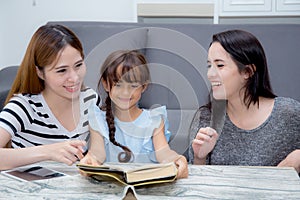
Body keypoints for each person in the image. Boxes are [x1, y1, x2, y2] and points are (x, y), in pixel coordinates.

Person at [189, 29, 300, 173]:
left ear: (248, 72)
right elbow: (196, 187)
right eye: (209, 65)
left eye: (220, 65)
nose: (210, 74)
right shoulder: (205, 117)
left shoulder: (288, 113)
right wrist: (199, 158)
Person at [0, 24, 100, 170]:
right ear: (40, 73)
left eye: (78, 65)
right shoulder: (24, 107)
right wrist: (48, 152)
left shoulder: (90, 100)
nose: (74, 78)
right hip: (31, 191)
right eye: (62, 70)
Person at [81, 50, 188, 178]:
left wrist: (177, 159)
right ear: (106, 84)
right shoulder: (98, 119)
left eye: (133, 86)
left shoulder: (154, 120)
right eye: (118, 84)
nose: (126, 92)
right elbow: (97, 153)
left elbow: (164, 153)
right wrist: (89, 160)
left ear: (144, 86)